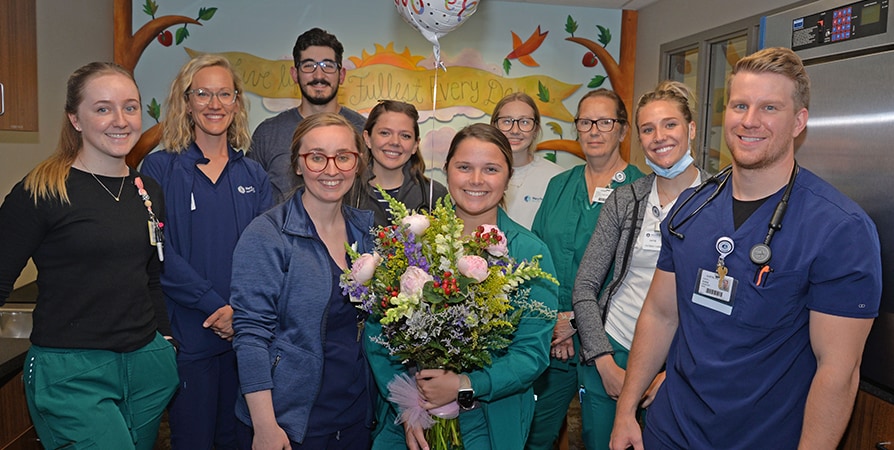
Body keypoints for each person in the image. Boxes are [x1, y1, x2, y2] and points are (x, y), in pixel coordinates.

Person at [610, 47, 882, 450]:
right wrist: (626, 410)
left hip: (763, 437)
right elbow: (661, 313)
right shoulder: (691, 207)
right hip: (671, 431)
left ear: (798, 122)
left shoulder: (840, 229)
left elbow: (838, 371)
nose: (750, 121)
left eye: (769, 107)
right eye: (740, 105)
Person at [0, 62, 178, 449]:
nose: (120, 120)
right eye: (102, 108)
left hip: (146, 365)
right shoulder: (42, 191)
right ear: (74, 119)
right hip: (71, 372)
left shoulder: (147, 191)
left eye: (130, 107)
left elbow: (149, 277)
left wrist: (165, 342)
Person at [368, 123, 559, 450]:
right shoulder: (414, 242)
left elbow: (531, 354)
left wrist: (464, 384)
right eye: (464, 167)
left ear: (508, 177)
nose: (476, 180)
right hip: (413, 413)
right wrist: (408, 407)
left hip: (489, 418)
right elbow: (377, 333)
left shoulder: (529, 255)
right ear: (446, 171)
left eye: (491, 169)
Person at [140, 54, 272, 450]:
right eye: (203, 94)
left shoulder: (254, 175)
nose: (214, 104)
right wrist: (214, 305)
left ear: (236, 102)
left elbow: (267, 255)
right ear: (187, 101)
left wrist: (238, 312)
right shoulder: (159, 168)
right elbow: (157, 250)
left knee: (240, 440)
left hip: (246, 339)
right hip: (190, 338)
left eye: (224, 94)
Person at [571, 81, 706, 449]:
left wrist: (674, 372)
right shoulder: (626, 199)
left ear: (691, 129)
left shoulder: (719, 201)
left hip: (683, 363)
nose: (658, 137)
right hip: (614, 350)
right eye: (648, 129)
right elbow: (584, 287)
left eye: (670, 125)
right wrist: (603, 360)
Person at [230, 113, 375, 449]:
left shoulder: (368, 234)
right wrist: (265, 425)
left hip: (355, 419)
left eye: (343, 156)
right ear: (297, 164)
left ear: (357, 163)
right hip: (288, 425)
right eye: (316, 157)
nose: (331, 169)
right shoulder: (267, 235)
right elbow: (251, 336)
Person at [527, 89, 644, 449]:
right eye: (585, 122)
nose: (594, 130)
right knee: (534, 436)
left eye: (605, 122)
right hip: (552, 340)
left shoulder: (641, 190)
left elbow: (634, 275)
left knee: (604, 439)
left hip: (609, 341)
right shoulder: (559, 185)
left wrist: (574, 320)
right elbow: (536, 258)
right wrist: (553, 322)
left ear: (623, 131)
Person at [249, 27, 366, 203]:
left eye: (328, 66)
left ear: (341, 75)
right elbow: (249, 199)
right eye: (309, 65)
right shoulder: (267, 134)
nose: (319, 75)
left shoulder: (363, 131)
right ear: (295, 74)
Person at [361, 99, 447, 226]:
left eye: (405, 136)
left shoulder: (434, 194)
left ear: (415, 145)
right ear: (367, 138)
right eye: (385, 133)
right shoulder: (348, 191)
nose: (395, 142)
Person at [490, 92, 564, 229]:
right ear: (494, 126)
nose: (515, 130)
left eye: (524, 122)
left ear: (536, 129)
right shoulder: (479, 175)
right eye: (507, 121)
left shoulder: (556, 178)